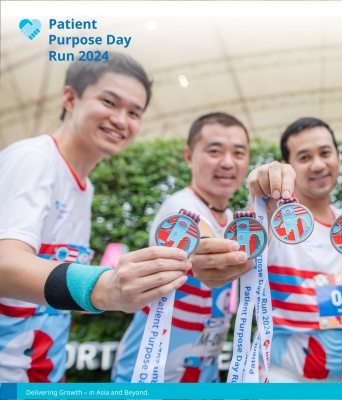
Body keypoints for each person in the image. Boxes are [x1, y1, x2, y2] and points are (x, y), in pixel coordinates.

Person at [0, 53, 192, 383]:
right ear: (70, 98)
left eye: (134, 113)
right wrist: (103, 287)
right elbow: (5, 264)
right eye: (109, 102)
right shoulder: (33, 159)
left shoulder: (83, 187)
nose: (121, 120)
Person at [112, 112, 254, 383]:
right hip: (148, 377)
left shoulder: (230, 219)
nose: (227, 162)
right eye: (214, 151)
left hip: (203, 375)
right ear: (189, 156)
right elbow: (208, 245)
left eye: (238, 153)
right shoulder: (179, 208)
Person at [248, 117, 342, 381]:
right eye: (305, 157)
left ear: (337, 157)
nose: (318, 165)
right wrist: (261, 199)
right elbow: (249, 242)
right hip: (277, 380)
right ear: (287, 167)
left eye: (325, 153)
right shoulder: (275, 220)